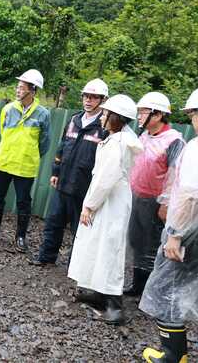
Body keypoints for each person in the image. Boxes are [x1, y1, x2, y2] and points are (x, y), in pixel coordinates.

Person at [140, 86, 198, 363]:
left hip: (193, 230)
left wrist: (175, 234)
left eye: (195, 114)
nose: (194, 120)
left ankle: (173, 356)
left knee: (166, 288)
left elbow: (192, 195)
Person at [67, 94, 143, 325]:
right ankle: (99, 293)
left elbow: (105, 179)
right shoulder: (117, 138)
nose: (102, 117)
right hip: (109, 201)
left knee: (110, 249)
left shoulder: (118, 143)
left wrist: (89, 206)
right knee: (98, 245)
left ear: (116, 118)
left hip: (111, 202)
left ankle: (115, 306)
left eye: (106, 113)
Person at [30, 78, 109, 267]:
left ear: (103, 100)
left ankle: (76, 266)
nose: (88, 100)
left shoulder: (104, 127)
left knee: (80, 229)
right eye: (86, 96)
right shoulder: (74, 120)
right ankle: (46, 257)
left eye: (93, 97)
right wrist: (55, 171)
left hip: (84, 186)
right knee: (53, 222)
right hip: (64, 181)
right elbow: (61, 147)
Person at [0, 69, 51, 253]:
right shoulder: (8, 109)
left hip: (25, 167)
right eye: (18, 87)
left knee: (23, 202)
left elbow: (44, 143)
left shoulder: (43, 114)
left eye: (22, 88)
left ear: (33, 90)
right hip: (3, 162)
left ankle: (20, 237)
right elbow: (3, 133)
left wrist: (29, 155)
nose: (18, 90)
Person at [124, 92, 185, 298]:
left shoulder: (174, 140)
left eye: (143, 112)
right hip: (136, 196)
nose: (139, 116)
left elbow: (175, 174)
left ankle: (151, 292)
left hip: (155, 202)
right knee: (136, 241)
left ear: (158, 115)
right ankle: (137, 285)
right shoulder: (144, 136)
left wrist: (166, 203)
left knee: (151, 245)